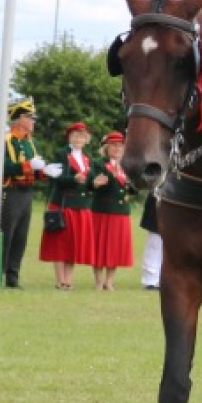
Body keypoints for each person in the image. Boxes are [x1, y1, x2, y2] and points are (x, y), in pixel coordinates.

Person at [0, 98, 61, 289]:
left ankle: (13, 277)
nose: (33, 121)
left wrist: (44, 171)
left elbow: (34, 168)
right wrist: (27, 166)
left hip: (26, 193)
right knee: (7, 235)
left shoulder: (30, 142)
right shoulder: (6, 140)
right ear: (19, 119)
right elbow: (4, 167)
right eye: (30, 117)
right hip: (11, 192)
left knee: (20, 236)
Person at [38, 121, 106, 289]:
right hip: (63, 204)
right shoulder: (61, 154)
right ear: (69, 137)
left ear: (87, 139)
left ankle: (68, 280)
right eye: (75, 135)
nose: (78, 139)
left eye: (82, 136)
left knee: (73, 245)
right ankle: (60, 280)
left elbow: (87, 183)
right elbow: (56, 178)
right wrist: (73, 179)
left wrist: (94, 184)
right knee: (60, 244)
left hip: (81, 206)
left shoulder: (86, 157)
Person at [90, 131, 138, 290]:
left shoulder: (126, 164)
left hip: (121, 211)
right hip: (102, 210)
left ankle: (109, 281)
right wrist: (113, 175)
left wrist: (128, 181)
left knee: (115, 248)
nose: (117, 149)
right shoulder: (99, 163)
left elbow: (133, 189)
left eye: (120, 146)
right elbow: (96, 183)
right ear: (106, 148)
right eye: (113, 146)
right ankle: (98, 281)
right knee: (99, 247)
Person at [138, 193, 162, 290]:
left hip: (174, 202)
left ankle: (163, 278)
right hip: (157, 200)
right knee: (154, 244)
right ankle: (150, 280)